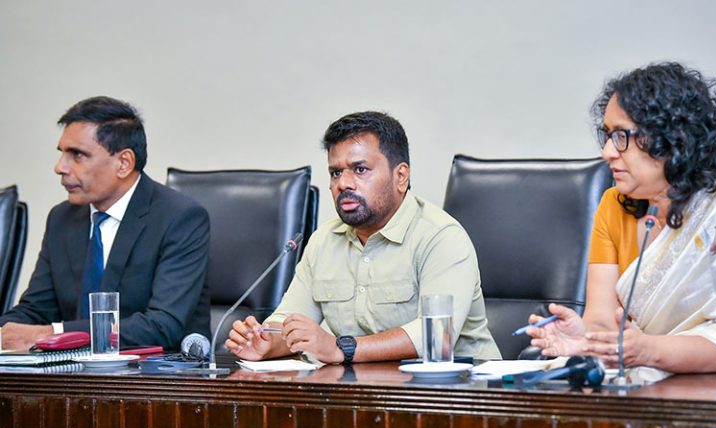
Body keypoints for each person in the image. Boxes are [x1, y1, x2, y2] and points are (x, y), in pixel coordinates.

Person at [528, 62, 716, 375]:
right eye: (607, 136)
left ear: (672, 138)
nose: (607, 152)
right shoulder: (615, 203)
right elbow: (603, 323)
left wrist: (650, 350)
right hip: (641, 380)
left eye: (621, 137)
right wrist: (585, 342)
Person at [226, 111, 500, 363]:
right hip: (364, 395)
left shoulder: (440, 237)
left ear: (401, 176)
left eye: (360, 169)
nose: (343, 183)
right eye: (335, 172)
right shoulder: (324, 241)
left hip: (460, 398)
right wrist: (266, 343)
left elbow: (435, 335)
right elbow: (288, 323)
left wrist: (339, 348)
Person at [0, 96, 211, 350]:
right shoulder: (62, 218)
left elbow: (162, 325)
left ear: (123, 163)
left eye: (77, 155)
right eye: (62, 154)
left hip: (154, 381)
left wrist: (53, 333)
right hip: (71, 376)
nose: (60, 167)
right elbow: (36, 310)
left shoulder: (180, 217)